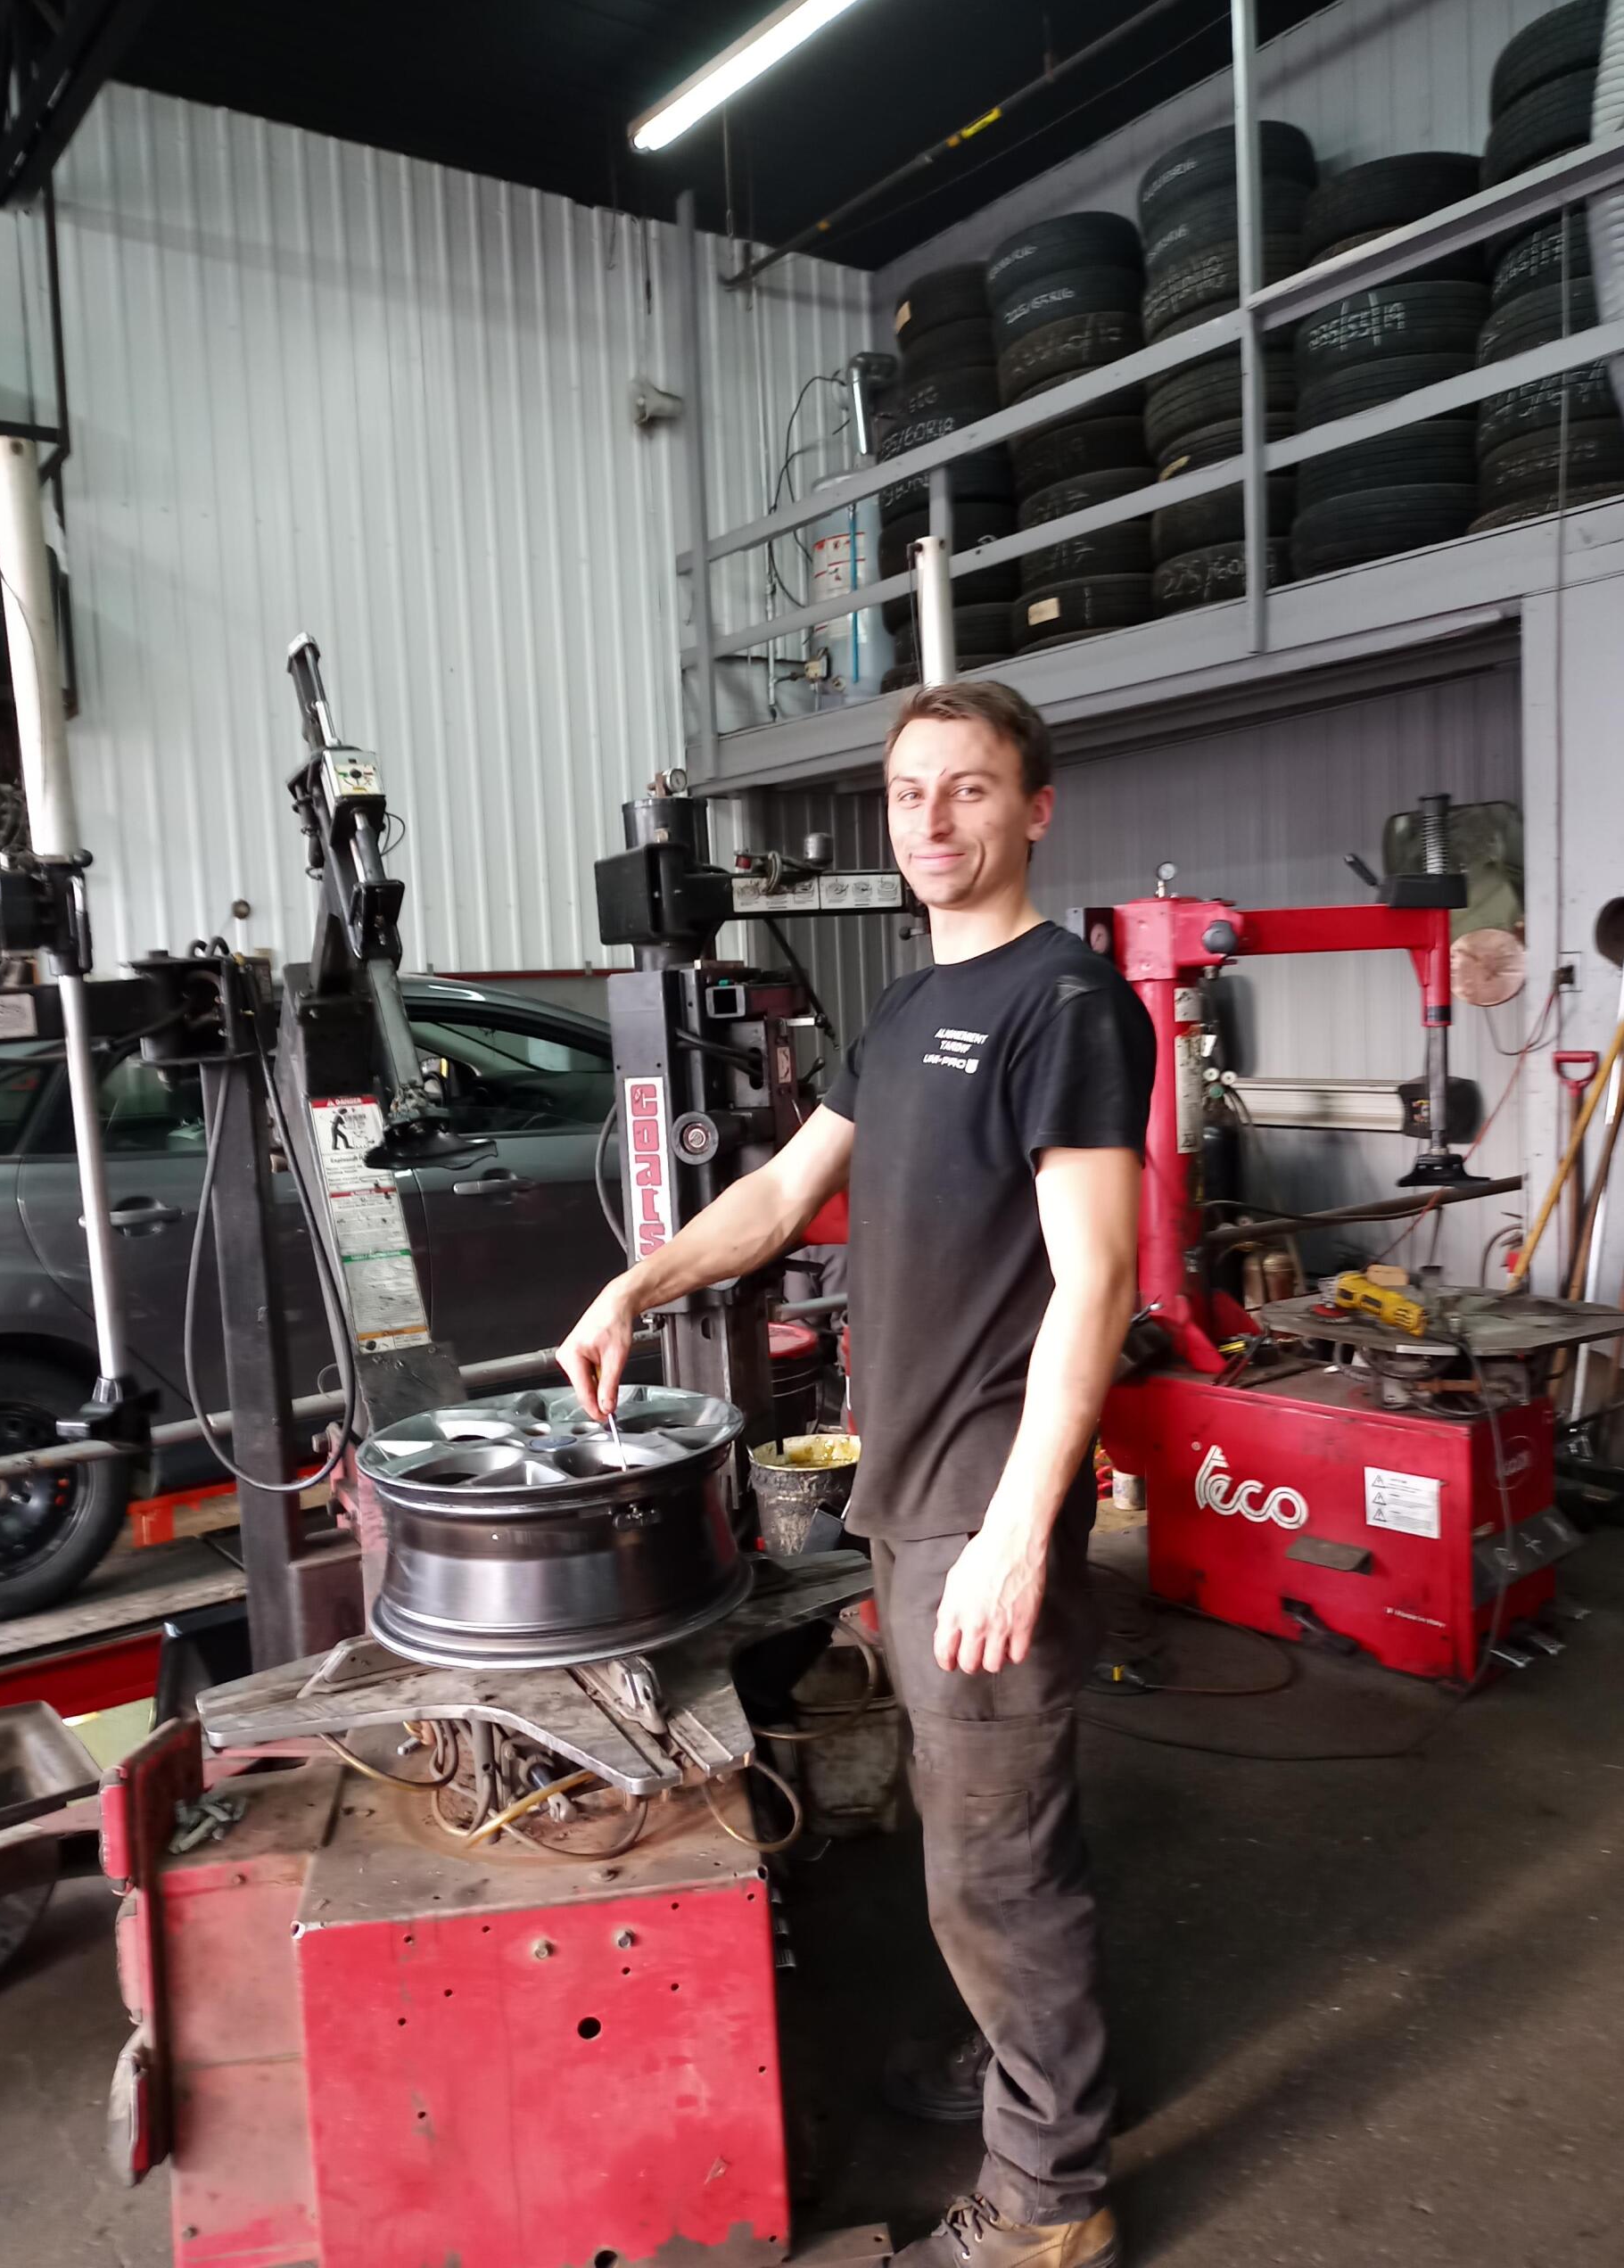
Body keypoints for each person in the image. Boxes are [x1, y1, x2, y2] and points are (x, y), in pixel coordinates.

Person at [557, 679, 1155, 2268]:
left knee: (991, 1862)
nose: (934, 823)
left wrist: (1024, 1531)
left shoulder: (1070, 1005)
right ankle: (1032, 2063)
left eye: (969, 791)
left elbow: (1099, 1278)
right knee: (994, 1831)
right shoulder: (902, 1010)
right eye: (909, 795)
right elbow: (775, 1196)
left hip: (985, 1499)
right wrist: (640, 1281)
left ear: (1036, 809)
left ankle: (1051, 2201)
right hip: (914, 1497)